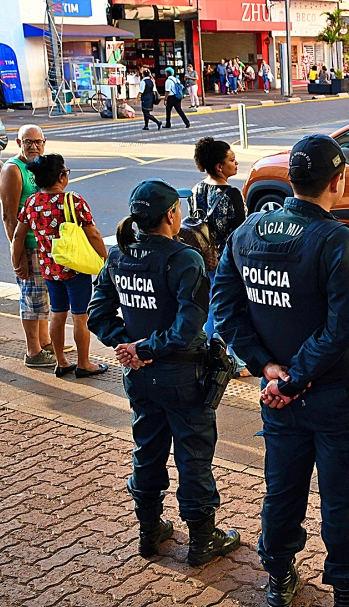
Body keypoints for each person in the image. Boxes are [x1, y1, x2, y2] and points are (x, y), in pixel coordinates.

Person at [211, 135, 349, 607]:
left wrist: (268, 369)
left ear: (292, 179)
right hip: (333, 397)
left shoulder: (247, 232)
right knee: (344, 499)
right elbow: (338, 330)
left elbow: (225, 311)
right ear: (338, 182)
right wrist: (291, 378)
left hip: (279, 397)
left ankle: (278, 580)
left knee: (283, 491)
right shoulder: (336, 240)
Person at [87, 178, 241, 567]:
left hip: (139, 376)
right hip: (182, 377)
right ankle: (202, 540)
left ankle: (149, 531)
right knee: (193, 457)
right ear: (172, 214)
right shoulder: (183, 258)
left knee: (148, 450)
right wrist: (144, 348)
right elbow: (190, 325)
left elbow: (97, 314)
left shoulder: (119, 255)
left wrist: (127, 346)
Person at [13, 154, 108, 379]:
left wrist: (16, 261)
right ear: (61, 176)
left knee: (57, 313)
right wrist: (105, 259)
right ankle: (84, 363)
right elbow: (92, 233)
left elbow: (18, 235)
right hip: (75, 268)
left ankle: (61, 361)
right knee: (80, 316)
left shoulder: (32, 202)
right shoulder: (73, 201)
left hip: (49, 269)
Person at [190, 137, 251, 377]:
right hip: (228, 262)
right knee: (232, 309)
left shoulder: (196, 190)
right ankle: (235, 361)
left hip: (203, 258)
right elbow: (241, 233)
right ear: (219, 167)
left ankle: (210, 353)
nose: (236, 164)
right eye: (232, 160)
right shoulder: (232, 194)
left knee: (211, 308)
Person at [0, 124, 59, 368]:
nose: (34, 146)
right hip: (29, 245)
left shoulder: (39, 166)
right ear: (18, 143)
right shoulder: (13, 170)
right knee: (31, 298)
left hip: (46, 246)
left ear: (44, 142)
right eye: (28, 142)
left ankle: (45, 341)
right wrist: (18, 254)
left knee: (43, 297)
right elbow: (9, 216)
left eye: (37, 142)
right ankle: (33, 350)